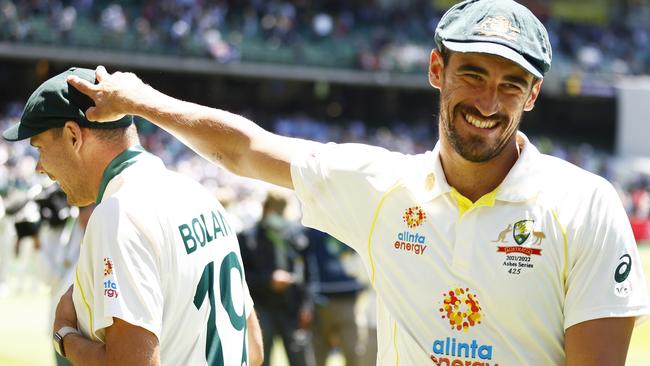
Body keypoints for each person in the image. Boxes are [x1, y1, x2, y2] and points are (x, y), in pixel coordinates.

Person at [66, 0, 650, 364]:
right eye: (473, 73)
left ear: (533, 94)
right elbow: (246, 149)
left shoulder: (587, 206)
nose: (489, 102)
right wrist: (142, 101)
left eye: (511, 84)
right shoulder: (383, 188)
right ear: (435, 69)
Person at [1, 67, 263, 366]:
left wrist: (65, 336)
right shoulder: (201, 195)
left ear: (73, 136)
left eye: (40, 148)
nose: (39, 167)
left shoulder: (119, 213)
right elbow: (253, 350)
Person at [239, 190, 315, 366]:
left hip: (292, 308)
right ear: (266, 208)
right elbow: (242, 278)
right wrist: (268, 280)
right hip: (262, 309)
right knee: (261, 359)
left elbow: (310, 274)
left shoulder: (297, 235)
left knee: (301, 360)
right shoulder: (248, 237)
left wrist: (307, 306)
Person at [303, 229, 364, 366]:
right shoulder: (312, 230)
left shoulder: (351, 225)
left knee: (353, 352)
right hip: (321, 300)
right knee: (318, 353)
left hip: (348, 298)